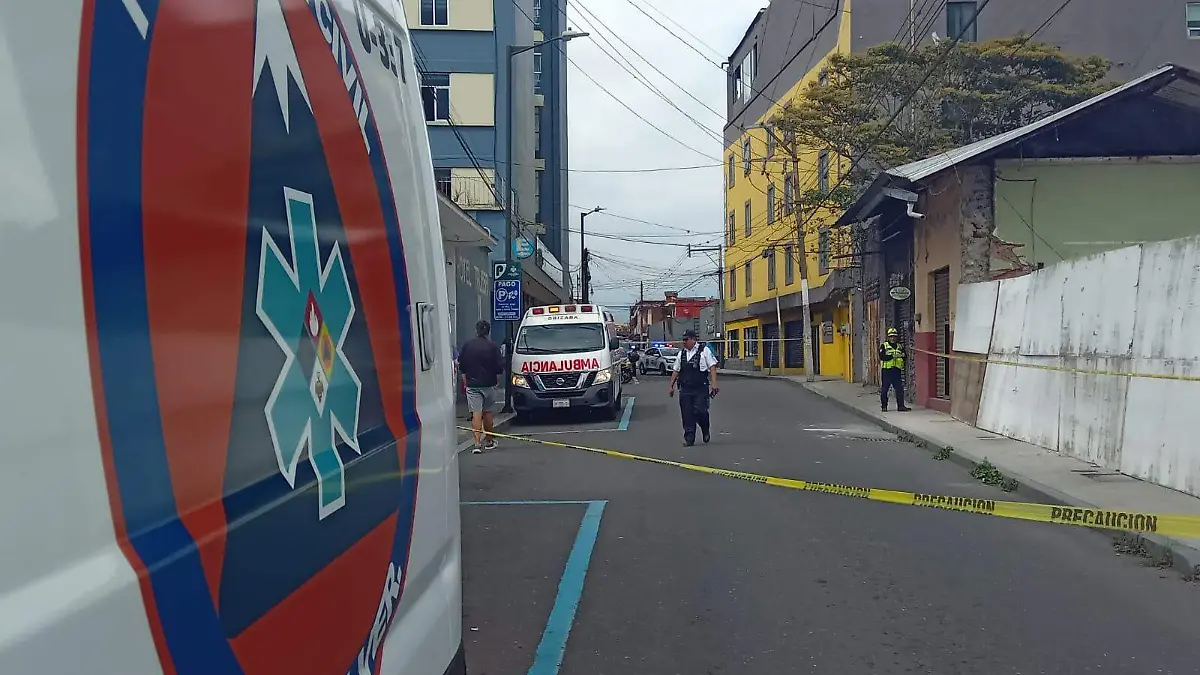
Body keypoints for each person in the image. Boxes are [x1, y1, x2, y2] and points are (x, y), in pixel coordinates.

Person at [458, 320, 505, 452]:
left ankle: (477, 443)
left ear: (476, 331)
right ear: (488, 332)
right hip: (489, 384)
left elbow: (462, 365)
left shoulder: (467, 346)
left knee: (476, 413)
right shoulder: (493, 346)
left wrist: (466, 379)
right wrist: (496, 379)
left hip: (472, 384)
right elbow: (500, 367)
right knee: (488, 412)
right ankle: (489, 440)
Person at [668, 330, 720, 446]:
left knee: (700, 411)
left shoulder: (704, 351)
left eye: (686, 340)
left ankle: (705, 429)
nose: (684, 342)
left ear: (693, 339)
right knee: (687, 414)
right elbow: (676, 370)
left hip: (700, 387)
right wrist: (671, 386)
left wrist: (714, 384)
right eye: (683, 340)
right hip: (685, 388)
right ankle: (689, 438)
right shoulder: (681, 353)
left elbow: (712, 367)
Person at [880, 327, 911, 412]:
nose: (892, 338)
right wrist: (892, 356)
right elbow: (882, 357)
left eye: (894, 336)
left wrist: (903, 355)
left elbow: (904, 355)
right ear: (888, 337)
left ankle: (901, 406)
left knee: (899, 389)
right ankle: (884, 406)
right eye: (891, 336)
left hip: (896, 370)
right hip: (887, 371)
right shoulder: (884, 346)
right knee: (885, 389)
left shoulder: (899, 346)